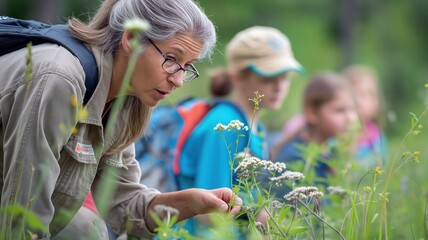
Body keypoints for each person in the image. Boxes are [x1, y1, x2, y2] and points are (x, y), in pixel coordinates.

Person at [0, 0, 243, 239]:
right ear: (131, 40)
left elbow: (125, 204)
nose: (178, 80)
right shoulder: (59, 78)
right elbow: (22, 214)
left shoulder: (126, 97)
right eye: (171, 58)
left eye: (187, 66)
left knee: (86, 229)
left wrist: (189, 203)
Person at [175, 26, 304, 237]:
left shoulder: (255, 126)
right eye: (268, 77)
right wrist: (256, 216)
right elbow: (207, 213)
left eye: (285, 77)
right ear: (238, 76)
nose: (279, 86)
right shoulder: (225, 125)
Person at [270, 71, 357, 196]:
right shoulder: (296, 158)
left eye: (352, 109)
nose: (350, 118)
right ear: (312, 113)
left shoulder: (329, 152)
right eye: (340, 110)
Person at [341, 64, 388, 168]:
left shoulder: (378, 137)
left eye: (371, 94)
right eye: (358, 94)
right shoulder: (335, 132)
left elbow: (381, 170)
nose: (362, 101)